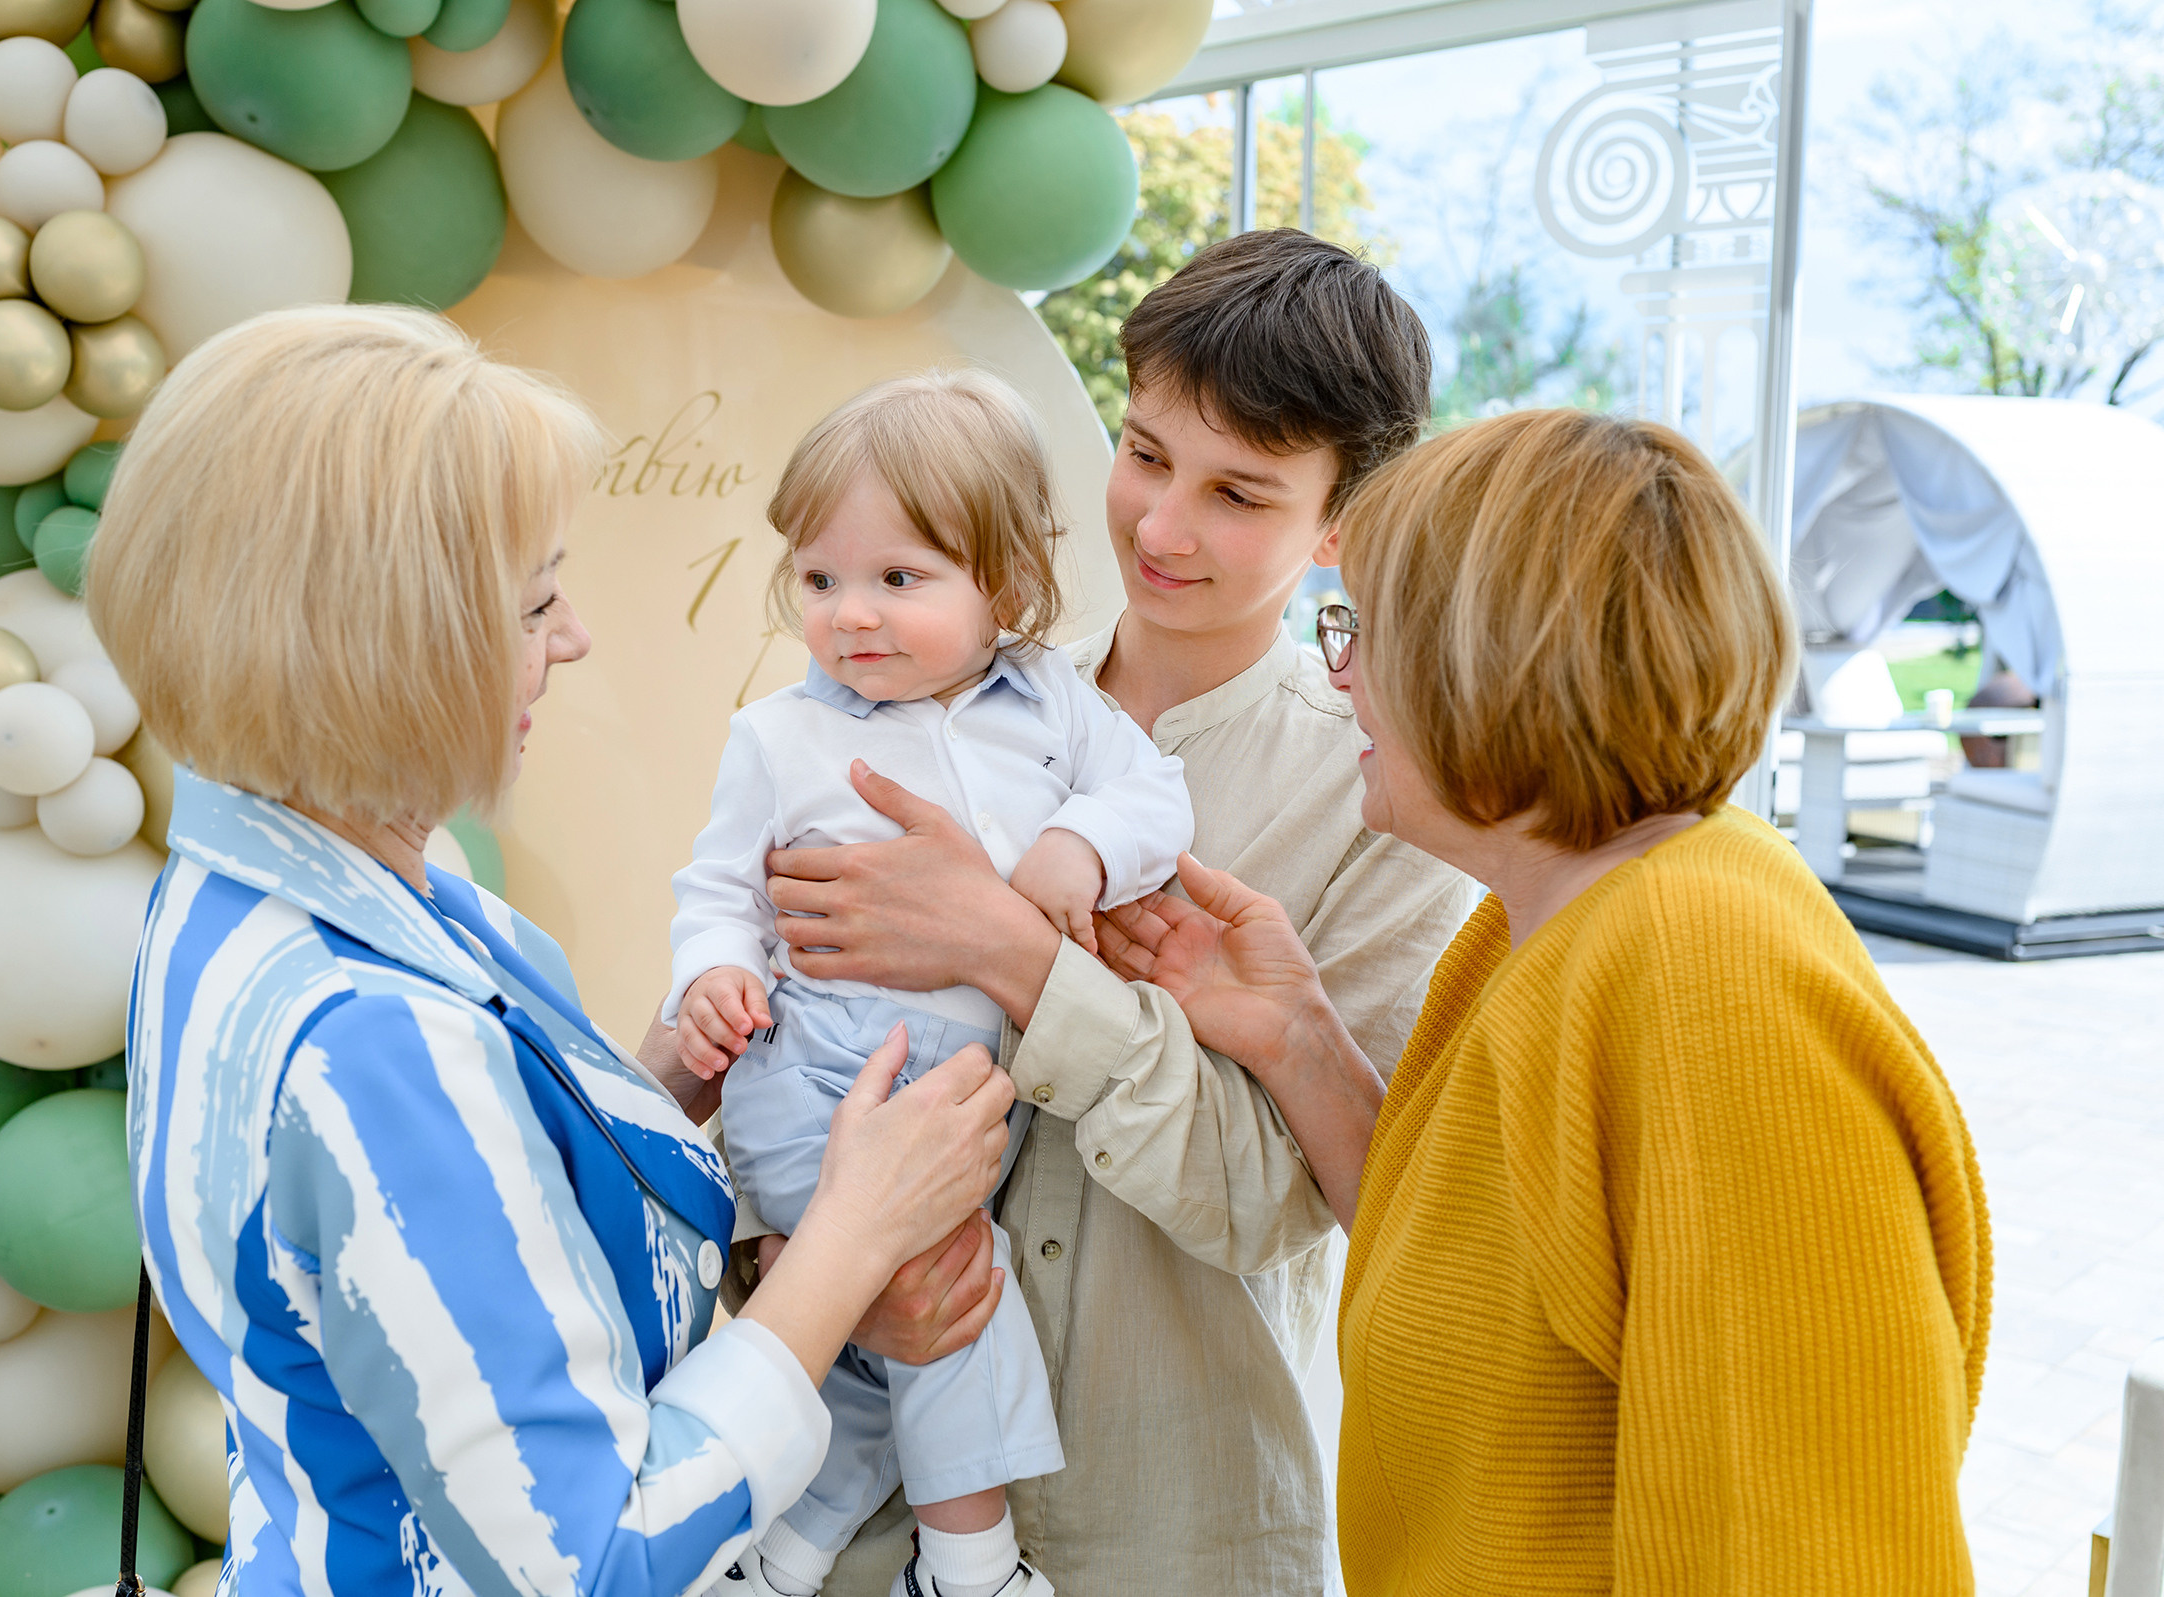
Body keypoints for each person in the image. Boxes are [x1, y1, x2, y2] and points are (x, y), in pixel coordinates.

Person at [85, 304, 1019, 1597]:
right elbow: (593, 1561)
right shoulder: (373, 1040)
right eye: (535, 603)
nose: (571, 638)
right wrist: (856, 1238)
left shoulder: (249, 882)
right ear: (392, 645)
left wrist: (668, 1077)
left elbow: (442, 1254)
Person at [655, 229, 1478, 1594]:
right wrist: (800, 1258)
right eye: (1146, 454)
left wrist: (1012, 954)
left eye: (1238, 493)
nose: (1160, 528)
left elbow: (1280, 1205)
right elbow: (757, 1040)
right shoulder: (900, 688)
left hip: (1169, 1536)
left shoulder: (1384, 798)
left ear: (1343, 521)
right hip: (866, 1527)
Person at [1098, 407, 1993, 1590]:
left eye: (1362, 631)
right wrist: (1298, 1036)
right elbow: (1493, 1283)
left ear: (1489, 662)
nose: (1340, 672)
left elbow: (1809, 1549)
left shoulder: (1707, 978)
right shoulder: (1546, 923)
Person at [669, 370, 1195, 1597]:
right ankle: (973, 1569)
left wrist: (1082, 846)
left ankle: (776, 1558)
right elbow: (718, 890)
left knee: (881, 1347)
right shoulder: (779, 735)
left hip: (960, 1095)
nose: (850, 613)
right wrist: (714, 972)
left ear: (1002, 583)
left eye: (899, 578)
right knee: (961, 1294)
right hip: (818, 1083)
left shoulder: (1056, 704)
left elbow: (1155, 795)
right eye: (819, 579)